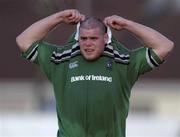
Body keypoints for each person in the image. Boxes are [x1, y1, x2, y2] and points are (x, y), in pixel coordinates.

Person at [16, 9, 174, 137]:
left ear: (105, 38)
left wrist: (128, 24)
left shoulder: (123, 61)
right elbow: (23, 41)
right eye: (83, 38)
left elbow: (165, 46)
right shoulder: (60, 59)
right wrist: (59, 17)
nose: (88, 44)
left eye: (93, 38)